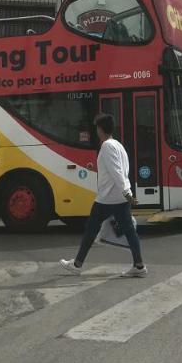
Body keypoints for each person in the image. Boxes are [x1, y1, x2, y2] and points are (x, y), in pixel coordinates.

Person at [59, 113, 147, 278]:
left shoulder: (107, 146)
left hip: (107, 199)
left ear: (100, 129)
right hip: (119, 198)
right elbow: (123, 171)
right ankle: (139, 265)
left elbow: (117, 173)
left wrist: (127, 194)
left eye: (97, 128)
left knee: (91, 230)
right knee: (129, 231)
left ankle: (77, 264)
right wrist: (127, 194)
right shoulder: (119, 145)